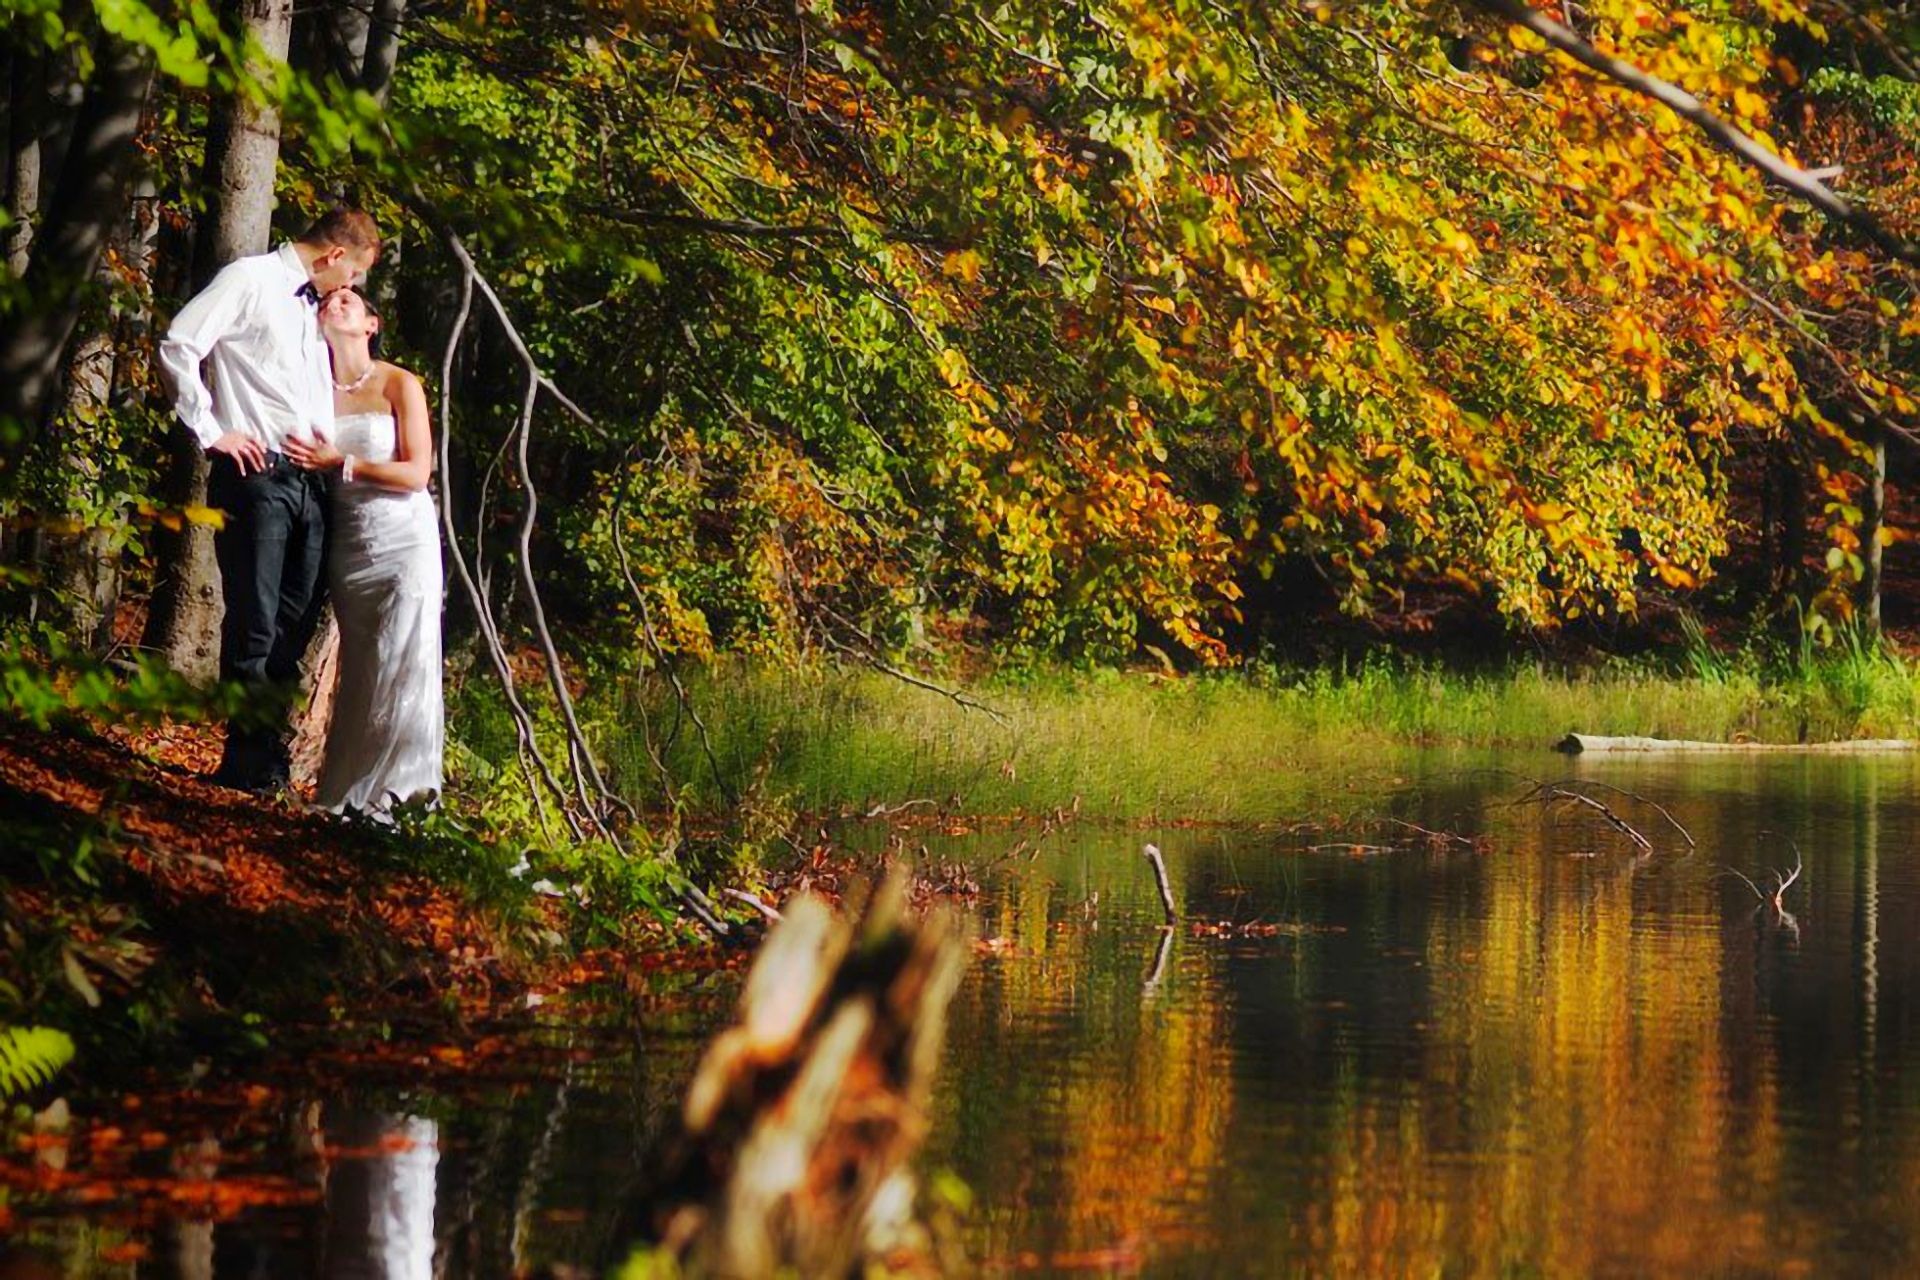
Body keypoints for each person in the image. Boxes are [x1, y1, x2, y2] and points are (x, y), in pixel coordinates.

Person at [159, 208, 382, 793]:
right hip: (257, 476)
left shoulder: (314, 309)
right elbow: (179, 343)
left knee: (294, 623)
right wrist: (212, 432)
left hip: (313, 485)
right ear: (334, 256)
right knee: (255, 622)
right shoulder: (250, 280)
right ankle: (246, 763)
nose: (350, 289)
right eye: (353, 275)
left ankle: (269, 754)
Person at [284, 287, 444, 814]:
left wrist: (342, 464)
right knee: (362, 667)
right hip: (350, 543)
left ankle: (400, 797)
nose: (335, 303)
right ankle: (345, 792)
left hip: (405, 541)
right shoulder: (310, 387)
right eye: (328, 300)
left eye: (349, 300)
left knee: (405, 657)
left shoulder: (399, 383)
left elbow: (417, 472)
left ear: (371, 324)